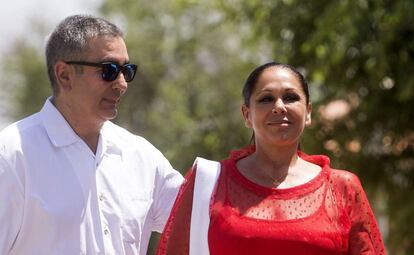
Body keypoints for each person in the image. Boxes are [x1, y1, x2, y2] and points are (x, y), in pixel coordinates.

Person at [156, 62, 386, 254]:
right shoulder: (208, 183)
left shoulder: (342, 188)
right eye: (266, 99)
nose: (279, 107)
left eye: (290, 97)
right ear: (247, 114)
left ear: (308, 113)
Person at [0, 14, 183, 255]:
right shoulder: (11, 156)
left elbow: (205, 222)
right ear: (64, 75)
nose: (122, 84)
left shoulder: (143, 157)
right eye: (109, 70)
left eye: (126, 70)